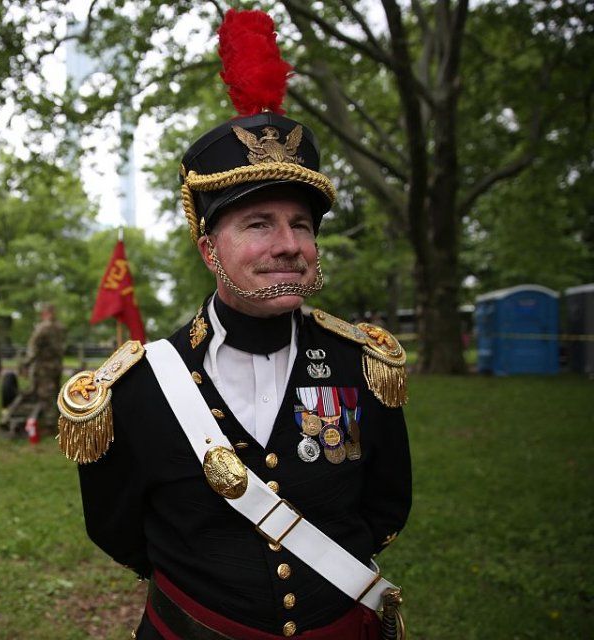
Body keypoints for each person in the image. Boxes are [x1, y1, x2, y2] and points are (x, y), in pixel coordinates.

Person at [57, 9, 411, 640]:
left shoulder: (364, 364)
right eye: (258, 224)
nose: (287, 243)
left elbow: (385, 505)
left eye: (300, 224)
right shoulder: (136, 386)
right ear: (208, 249)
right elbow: (116, 527)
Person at [20, 303, 66, 434]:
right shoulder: (60, 327)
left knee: (45, 395)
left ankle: (50, 425)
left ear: (44, 313)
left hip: (44, 367)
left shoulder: (43, 328)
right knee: (56, 392)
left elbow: (33, 348)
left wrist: (26, 364)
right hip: (56, 365)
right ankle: (59, 419)